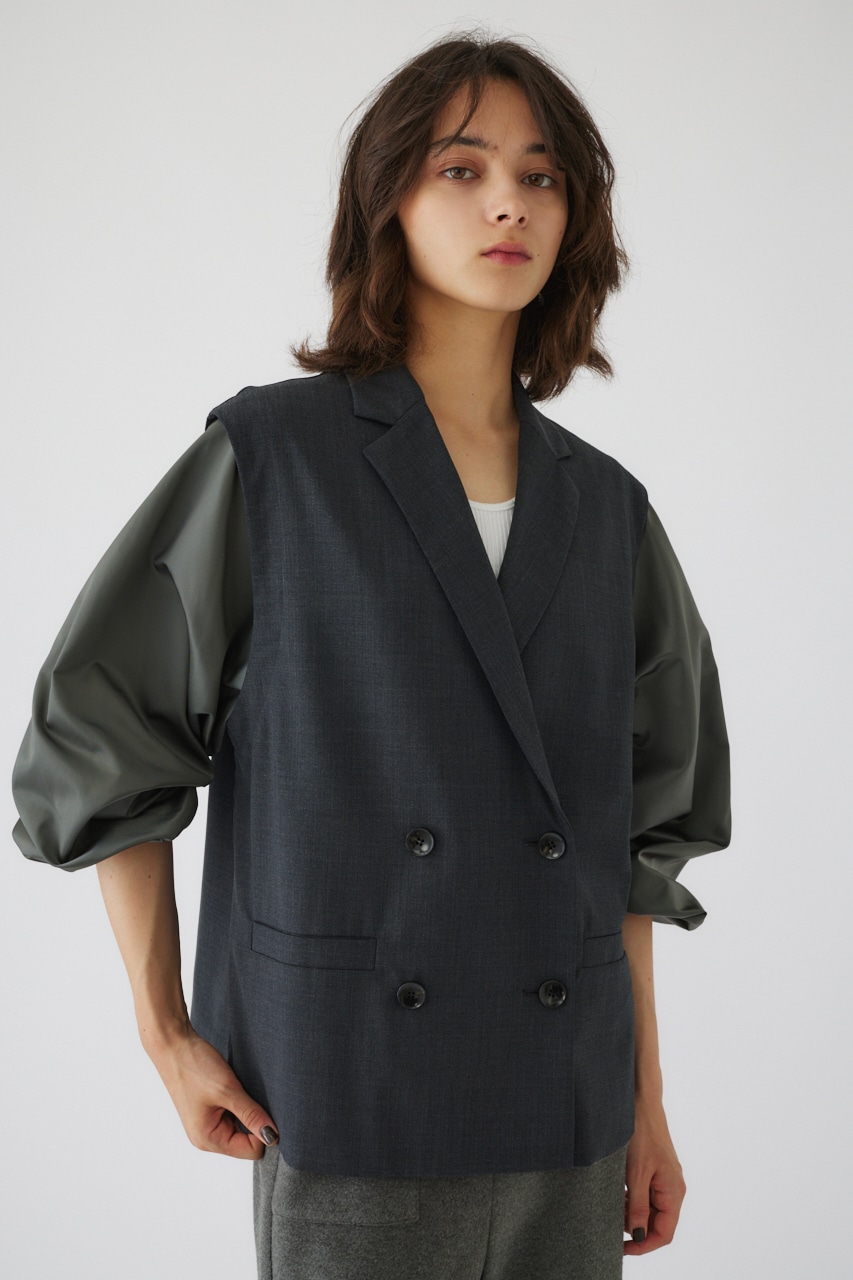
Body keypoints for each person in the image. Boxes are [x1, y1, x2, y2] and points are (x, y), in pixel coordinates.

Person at [10, 29, 731, 1280]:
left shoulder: (608, 508)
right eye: (462, 167)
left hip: (567, 1113)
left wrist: (643, 1102)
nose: (508, 201)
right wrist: (167, 1033)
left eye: (542, 176)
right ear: (387, 199)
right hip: (345, 1095)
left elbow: (627, 845)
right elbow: (102, 737)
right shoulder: (273, 458)